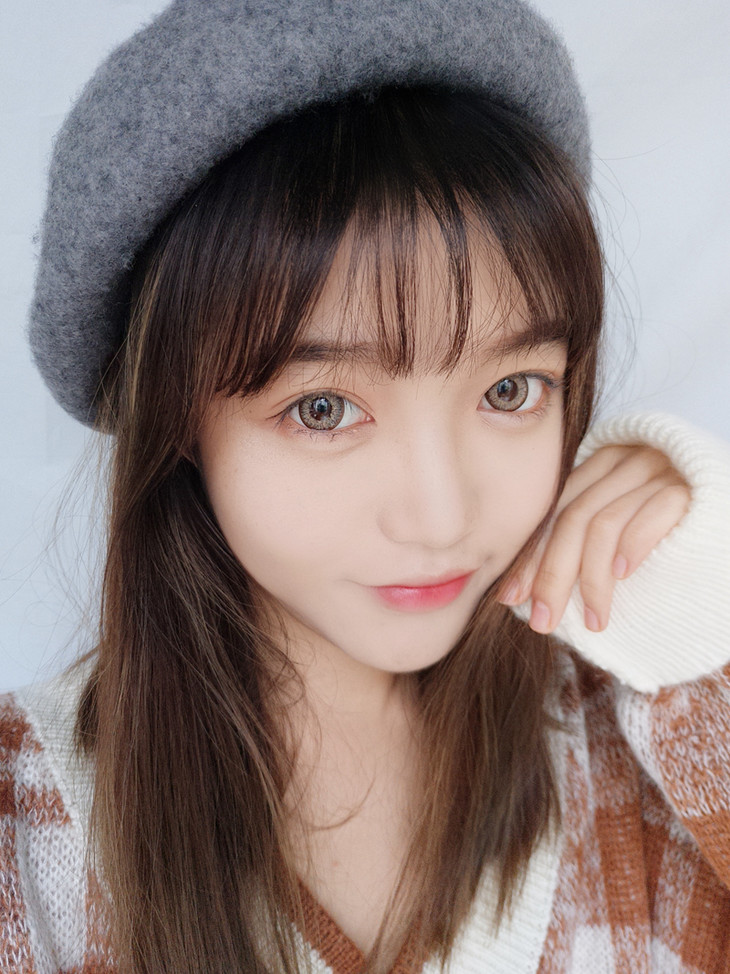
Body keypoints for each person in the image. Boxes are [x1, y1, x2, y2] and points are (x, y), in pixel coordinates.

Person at [1, 1, 729, 972]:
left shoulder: (647, 735)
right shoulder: (25, 822)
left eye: (510, 390)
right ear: (178, 424)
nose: (440, 516)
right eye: (323, 409)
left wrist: (707, 623)